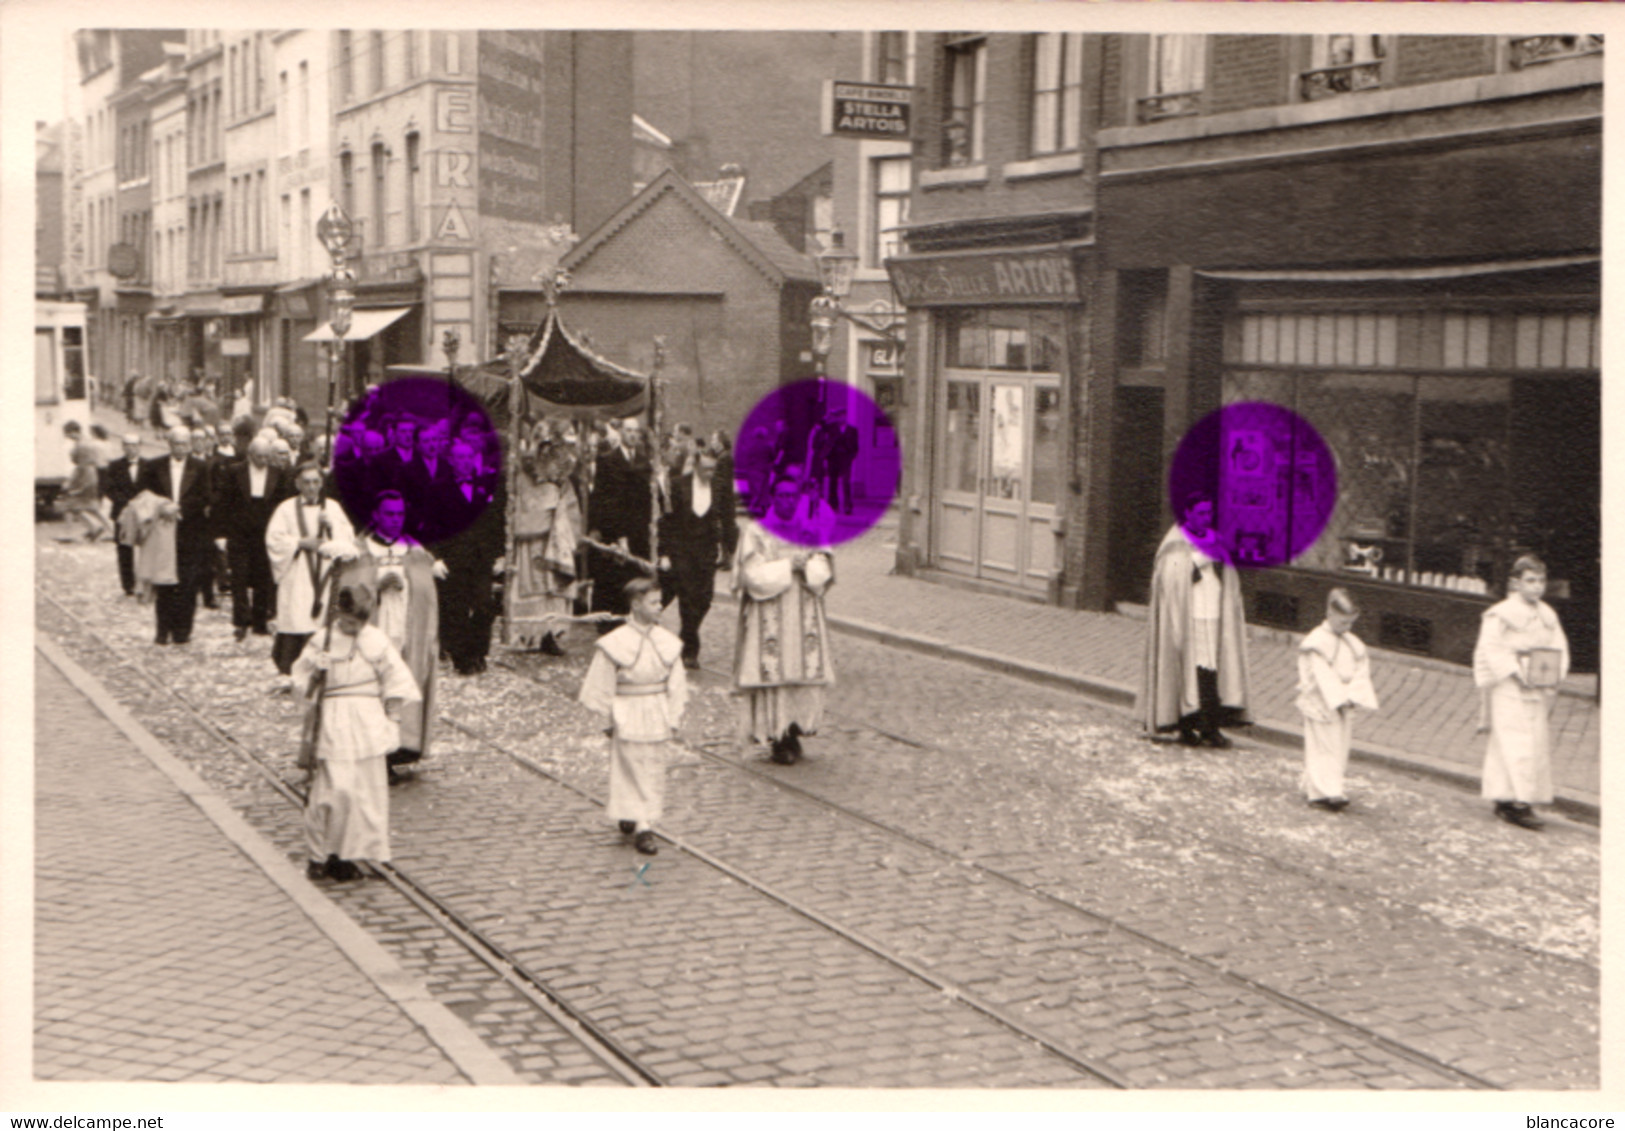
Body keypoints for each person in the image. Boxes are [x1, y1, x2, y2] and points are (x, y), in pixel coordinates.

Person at [294, 581, 420, 882]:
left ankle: (348, 853)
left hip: (367, 721)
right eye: (348, 622)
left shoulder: (375, 640)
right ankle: (319, 854)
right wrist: (315, 671)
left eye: (358, 623)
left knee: (364, 792)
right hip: (334, 719)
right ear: (338, 614)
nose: (353, 628)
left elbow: (396, 679)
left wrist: (393, 716)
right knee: (335, 789)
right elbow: (301, 683)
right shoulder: (322, 640)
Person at [339, 490, 445, 782]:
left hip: (404, 633)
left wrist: (408, 585)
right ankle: (372, 756)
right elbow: (347, 595)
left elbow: (427, 595)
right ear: (375, 516)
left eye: (400, 515)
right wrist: (375, 585)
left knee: (397, 692)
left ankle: (396, 749)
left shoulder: (414, 551)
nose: (396, 520)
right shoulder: (359, 552)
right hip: (373, 634)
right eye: (389, 514)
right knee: (371, 691)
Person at [578, 578, 688, 856]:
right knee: (631, 766)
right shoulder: (616, 643)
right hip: (627, 709)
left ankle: (637, 814)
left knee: (652, 766)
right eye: (653, 602)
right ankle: (642, 826)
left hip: (656, 709)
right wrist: (606, 718)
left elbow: (677, 684)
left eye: (659, 601)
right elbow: (600, 683)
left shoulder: (668, 642)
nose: (659, 607)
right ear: (636, 605)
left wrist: (673, 716)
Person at [732, 475, 837, 765]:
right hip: (771, 615)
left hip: (803, 614)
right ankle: (777, 737)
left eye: (793, 496)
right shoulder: (757, 531)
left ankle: (794, 730)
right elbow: (751, 576)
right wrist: (788, 565)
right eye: (782, 496)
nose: (788, 502)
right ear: (773, 498)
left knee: (800, 675)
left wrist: (808, 569)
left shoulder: (809, 525)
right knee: (774, 677)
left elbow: (824, 566)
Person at [1138, 492, 1252, 748]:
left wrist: (1223, 560)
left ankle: (1211, 727)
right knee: (1191, 668)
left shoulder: (1213, 538)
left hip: (1213, 610)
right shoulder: (1175, 542)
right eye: (1200, 513)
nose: (1205, 518)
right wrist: (1202, 559)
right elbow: (1171, 577)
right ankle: (1187, 726)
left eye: (1209, 513)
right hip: (1187, 616)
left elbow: (1228, 572)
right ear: (1187, 514)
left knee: (1212, 669)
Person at [1474, 555, 1570, 831]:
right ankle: (1517, 803)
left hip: (1536, 683)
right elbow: (1490, 648)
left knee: (1534, 741)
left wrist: (1552, 674)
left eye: (1540, 581)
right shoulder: (1501, 614)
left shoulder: (1547, 616)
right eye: (1530, 581)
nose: (1537, 587)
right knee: (1514, 742)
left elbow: (1558, 647)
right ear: (1515, 583)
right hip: (1509, 685)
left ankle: (1509, 798)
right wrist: (1515, 671)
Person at [266, 461, 357, 677]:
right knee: (297, 614)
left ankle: (322, 670)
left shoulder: (332, 507)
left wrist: (331, 527)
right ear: (297, 483)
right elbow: (274, 539)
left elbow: (348, 538)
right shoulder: (286, 509)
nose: (311, 487)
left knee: (322, 619)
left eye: (316, 481)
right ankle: (291, 668)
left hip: (324, 572)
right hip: (297, 571)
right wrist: (299, 543)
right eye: (306, 482)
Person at [1295, 589, 1379, 812]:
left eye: (1351, 623)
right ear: (1329, 614)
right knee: (1324, 745)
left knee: (1338, 746)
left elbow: (1361, 669)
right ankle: (1325, 792)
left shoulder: (1353, 643)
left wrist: (1354, 693)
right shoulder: (1317, 642)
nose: (1347, 628)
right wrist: (1338, 697)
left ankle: (1320, 784)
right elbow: (1322, 676)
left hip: (1344, 701)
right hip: (1322, 700)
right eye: (1343, 622)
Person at [509, 418, 581, 655]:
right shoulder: (524, 474)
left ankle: (551, 634)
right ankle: (529, 636)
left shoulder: (564, 478)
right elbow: (523, 503)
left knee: (553, 589)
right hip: (534, 540)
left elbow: (570, 505)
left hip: (555, 536)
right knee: (535, 586)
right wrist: (541, 510)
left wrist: (563, 518)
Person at [137, 425, 213, 645]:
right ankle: (162, 631)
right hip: (163, 533)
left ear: (190, 445)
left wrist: (179, 508)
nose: (180, 448)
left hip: (190, 532)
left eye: (184, 443)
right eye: (176, 443)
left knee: (188, 584)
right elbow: (144, 495)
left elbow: (206, 496)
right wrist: (162, 507)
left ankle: (182, 631)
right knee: (164, 583)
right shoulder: (154, 466)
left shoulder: (200, 467)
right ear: (169, 444)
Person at [435, 440, 504, 675]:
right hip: (455, 558)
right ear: (452, 461)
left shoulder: (485, 487)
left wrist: (500, 554)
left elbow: (496, 524)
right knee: (458, 609)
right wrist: (437, 557)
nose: (464, 463)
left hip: (482, 558)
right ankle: (462, 658)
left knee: (486, 606)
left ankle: (478, 650)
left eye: (468, 458)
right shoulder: (440, 489)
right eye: (459, 458)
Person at [659, 449, 732, 668]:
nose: (710, 473)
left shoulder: (719, 486)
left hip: (707, 552)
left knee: (705, 598)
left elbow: (728, 520)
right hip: (681, 549)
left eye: (713, 468)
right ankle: (690, 651)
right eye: (706, 468)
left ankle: (684, 638)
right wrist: (663, 553)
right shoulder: (679, 485)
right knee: (687, 597)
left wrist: (731, 550)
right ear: (696, 466)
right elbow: (667, 522)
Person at [213, 435, 288, 641]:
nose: (263, 461)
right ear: (250, 455)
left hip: (265, 533)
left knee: (263, 578)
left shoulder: (278, 474)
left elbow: (282, 505)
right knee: (239, 577)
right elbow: (223, 504)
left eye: (266, 456)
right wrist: (221, 533)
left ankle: (260, 621)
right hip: (239, 532)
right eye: (259, 456)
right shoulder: (234, 472)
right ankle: (240, 620)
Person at [587, 416, 654, 624]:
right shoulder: (608, 460)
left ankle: (633, 617)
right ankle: (608, 620)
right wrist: (610, 531)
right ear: (621, 433)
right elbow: (601, 498)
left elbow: (648, 498)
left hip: (638, 530)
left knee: (635, 575)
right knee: (613, 578)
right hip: (614, 529)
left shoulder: (644, 462)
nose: (632, 435)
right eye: (628, 431)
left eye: (636, 431)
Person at [101, 433, 145, 594]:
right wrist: (126, 503)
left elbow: (154, 487)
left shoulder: (148, 465)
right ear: (122, 447)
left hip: (144, 513)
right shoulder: (114, 466)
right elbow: (108, 489)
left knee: (147, 547)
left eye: (134, 445)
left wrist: (141, 503)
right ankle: (128, 584)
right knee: (124, 549)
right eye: (127, 445)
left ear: (140, 446)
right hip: (122, 512)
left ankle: (146, 581)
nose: (131, 449)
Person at [58, 437, 112, 542]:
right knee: (94, 510)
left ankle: (71, 533)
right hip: (90, 488)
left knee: (70, 507)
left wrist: (73, 490)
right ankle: (110, 530)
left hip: (85, 489)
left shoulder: (81, 467)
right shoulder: (90, 465)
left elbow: (77, 480)